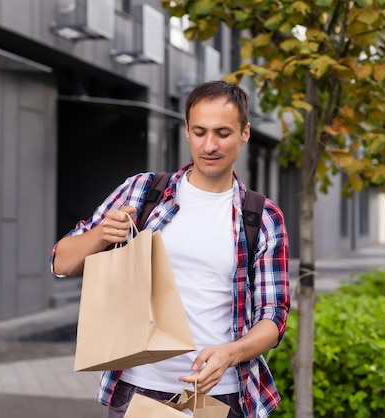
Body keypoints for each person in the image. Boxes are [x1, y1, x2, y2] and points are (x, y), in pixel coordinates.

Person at [51, 80, 290, 418]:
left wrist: (231, 353)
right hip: (139, 388)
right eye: (200, 131)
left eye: (222, 133)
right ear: (187, 132)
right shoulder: (142, 191)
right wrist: (102, 234)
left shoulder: (261, 216)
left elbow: (273, 316)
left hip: (221, 396)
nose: (209, 145)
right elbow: (61, 261)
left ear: (245, 133)